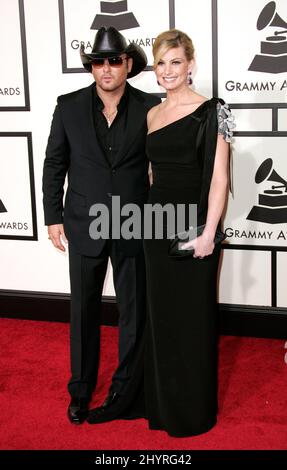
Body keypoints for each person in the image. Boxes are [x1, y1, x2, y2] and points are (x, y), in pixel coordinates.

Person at [87, 28, 235, 437]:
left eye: (175, 62)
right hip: (156, 226)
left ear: (190, 65)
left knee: (192, 319)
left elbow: (219, 178)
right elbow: (152, 174)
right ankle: (159, 400)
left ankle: (191, 410)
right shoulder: (152, 114)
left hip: (193, 227)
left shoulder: (213, 110)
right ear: (153, 69)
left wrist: (208, 234)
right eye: (161, 63)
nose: (167, 70)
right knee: (161, 320)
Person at [42, 26, 160, 425]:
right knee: (83, 312)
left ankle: (124, 390)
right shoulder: (68, 106)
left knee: (133, 312)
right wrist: (53, 217)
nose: (106, 68)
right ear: (91, 66)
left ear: (128, 64)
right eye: (98, 61)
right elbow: (55, 164)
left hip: (133, 223)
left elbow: (164, 164)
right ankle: (80, 391)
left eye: (114, 60)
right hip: (83, 223)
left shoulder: (150, 106)